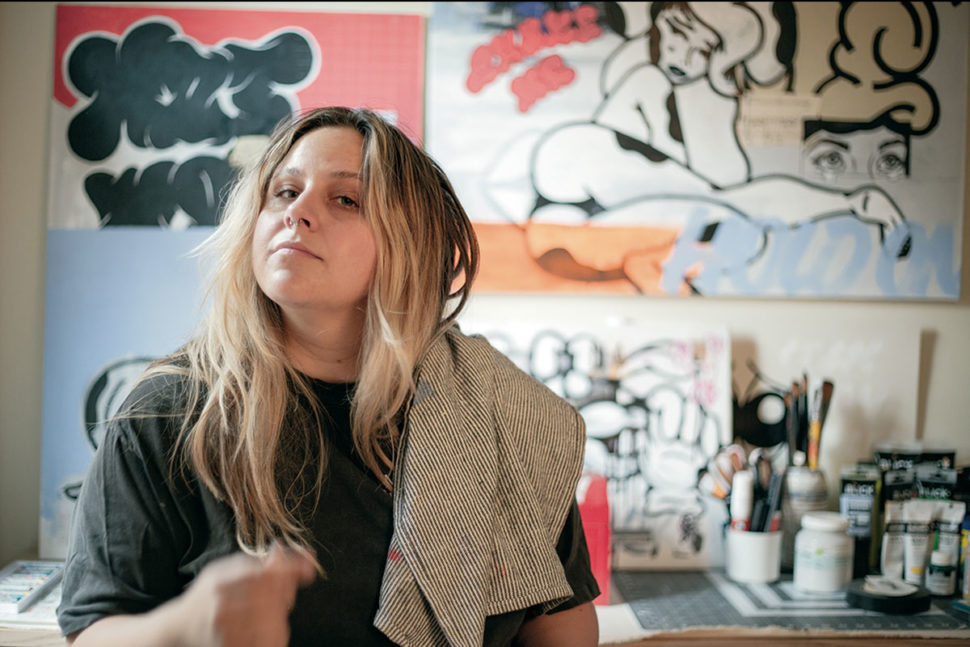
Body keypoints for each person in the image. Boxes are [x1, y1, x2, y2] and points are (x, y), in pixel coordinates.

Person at [57, 106, 600, 647]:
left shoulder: (498, 413)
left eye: (346, 199)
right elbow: (93, 627)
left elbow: (557, 618)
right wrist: (183, 630)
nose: (298, 213)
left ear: (411, 245)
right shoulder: (164, 414)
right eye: (284, 192)